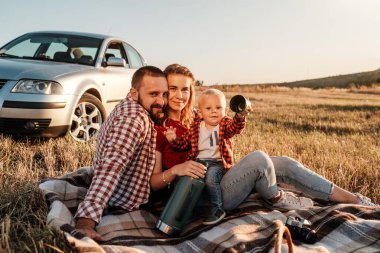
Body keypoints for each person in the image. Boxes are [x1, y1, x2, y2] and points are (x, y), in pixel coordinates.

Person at [150, 63, 377, 223]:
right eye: (173, 88)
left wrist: (241, 115)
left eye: (185, 89)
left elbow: (227, 127)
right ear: (164, 91)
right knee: (259, 159)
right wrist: (177, 170)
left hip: (221, 178)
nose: (180, 95)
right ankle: (277, 198)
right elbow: (153, 183)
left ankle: (354, 199)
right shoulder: (159, 129)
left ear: (192, 92)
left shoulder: (197, 118)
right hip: (201, 198)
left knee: (283, 163)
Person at [74, 66, 168, 240]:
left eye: (164, 94)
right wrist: (86, 221)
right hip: (126, 199)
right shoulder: (134, 119)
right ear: (134, 93)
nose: (161, 101)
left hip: (128, 190)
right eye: (153, 94)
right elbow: (112, 166)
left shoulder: (131, 105)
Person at [164, 88, 247, 224]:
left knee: (210, 178)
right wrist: (173, 139)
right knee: (186, 180)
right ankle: (197, 208)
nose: (214, 111)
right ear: (201, 113)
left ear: (225, 111)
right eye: (208, 108)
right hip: (199, 162)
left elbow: (235, 127)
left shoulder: (224, 125)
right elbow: (183, 144)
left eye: (218, 107)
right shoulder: (196, 127)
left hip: (217, 163)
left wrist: (239, 116)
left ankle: (217, 208)